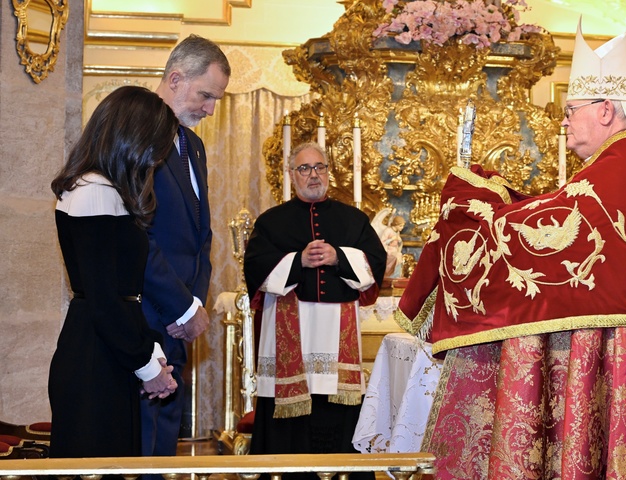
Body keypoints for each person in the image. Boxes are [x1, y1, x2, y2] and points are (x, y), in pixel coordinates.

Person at [395, 20, 626, 479]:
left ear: (607, 109)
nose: (565, 120)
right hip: (609, 336)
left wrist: (479, 207)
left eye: (572, 109)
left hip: (613, 342)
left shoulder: (624, 160)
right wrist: (500, 197)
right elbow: (559, 213)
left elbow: (555, 228)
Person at [49, 86, 179, 458]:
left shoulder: (106, 191)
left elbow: (126, 293)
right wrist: (146, 366)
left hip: (108, 351)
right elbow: (104, 301)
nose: (157, 157)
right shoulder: (94, 190)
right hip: (93, 357)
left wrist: (151, 355)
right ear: (132, 136)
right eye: (156, 145)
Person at [244, 142, 386, 480]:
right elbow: (255, 269)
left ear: (328, 172)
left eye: (319, 167)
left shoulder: (353, 219)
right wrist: (298, 260)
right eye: (305, 169)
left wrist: (340, 256)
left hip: (337, 340)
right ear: (292, 176)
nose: (313, 175)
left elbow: (375, 264)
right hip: (289, 337)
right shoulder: (271, 222)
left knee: (336, 412)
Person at [140, 34, 230, 457]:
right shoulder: (138, 131)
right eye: (206, 95)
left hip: (179, 321)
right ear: (176, 78)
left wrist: (194, 305)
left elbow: (200, 237)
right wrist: (180, 305)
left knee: (163, 444)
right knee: (138, 443)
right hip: (144, 315)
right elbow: (140, 235)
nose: (211, 109)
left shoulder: (191, 144)